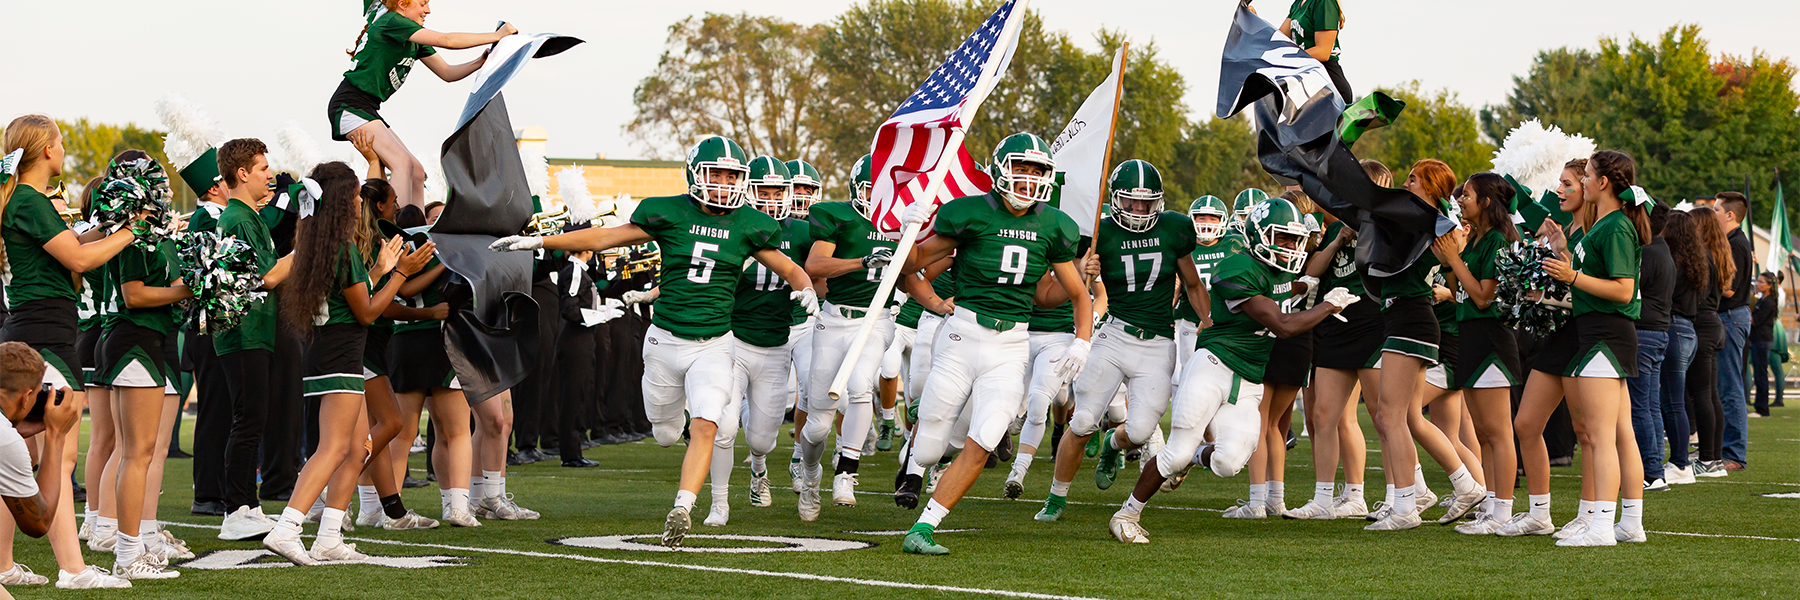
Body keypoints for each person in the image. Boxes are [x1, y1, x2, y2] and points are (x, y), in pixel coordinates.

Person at [490, 135, 817, 548]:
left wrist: (804, 286)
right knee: (665, 432)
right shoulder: (668, 211)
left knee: (708, 423)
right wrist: (540, 241)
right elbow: (603, 238)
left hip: (716, 343)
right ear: (695, 173)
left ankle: (683, 506)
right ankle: (674, 436)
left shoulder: (749, 223)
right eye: (716, 173)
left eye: (732, 175)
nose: (724, 183)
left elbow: (789, 267)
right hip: (664, 340)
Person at [1106, 197, 1354, 544]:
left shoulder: (1278, 270)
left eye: (1294, 240)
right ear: (1258, 236)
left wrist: (1305, 286)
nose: (1289, 248)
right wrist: (1329, 305)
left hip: (1250, 380)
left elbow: (1284, 290)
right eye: (1281, 238)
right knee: (1174, 453)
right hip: (1214, 366)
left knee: (1228, 463)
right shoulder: (1234, 267)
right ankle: (1127, 514)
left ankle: (1195, 454)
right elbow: (1281, 324)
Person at [891, 133, 1090, 556]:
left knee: (985, 437)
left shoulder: (1053, 225)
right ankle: (918, 453)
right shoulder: (969, 213)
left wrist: (1082, 340)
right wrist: (910, 230)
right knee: (928, 448)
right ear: (1001, 168)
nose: (1029, 178)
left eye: (1037, 170)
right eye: (1022, 167)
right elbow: (912, 267)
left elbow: (1063, 294)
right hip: (962, 334)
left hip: (1012, 344)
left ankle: (924, 529)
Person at [260, 161, 435, 565]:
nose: (361, 202)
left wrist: (381, 268)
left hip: (329, 349)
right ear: (341, 201)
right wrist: (400, 274)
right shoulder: (342, 248)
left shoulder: (319, 244)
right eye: (356, 195)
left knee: (356, 450)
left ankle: (329, 538)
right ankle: (287, 528)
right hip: (340, 353)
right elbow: (369, 312)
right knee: (335, 447)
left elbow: (355, 294)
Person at [0, 115, 139, 588]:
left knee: (18, 457)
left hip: (40, 327)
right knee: (59, 457)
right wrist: (133, 232)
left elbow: (75, 244)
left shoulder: (27, 200)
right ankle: (73, 570)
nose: (63, 149)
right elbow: (78, 260)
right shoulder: (29, 200)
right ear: (45, 151)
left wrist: (114, 225)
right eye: (59, 142)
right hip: (44, 331)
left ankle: (3, 566)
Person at [1034, 160, 1207, 521]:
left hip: (1159, 341)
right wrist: (1085, 271)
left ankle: (1112, 444)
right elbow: (1074, 290)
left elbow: (1192, 283)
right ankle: (1056, 497)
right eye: (1131, 202)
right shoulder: (1101, 232)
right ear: (1116, 199)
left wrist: (1207, 320)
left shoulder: (1175, 227)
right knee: (1081, 422)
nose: (1139, 210)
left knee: (1142, 431)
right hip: (1114, 335)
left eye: (1147, 203)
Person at [1363, 159, 1483, 531]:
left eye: (1413, 178)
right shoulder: (1421, 219)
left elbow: (1456, 275)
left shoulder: (1432, 223)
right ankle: (1465, 486)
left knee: (1389, 415)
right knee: (1410, 417)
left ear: (1431, 187)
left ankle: (1405, 507)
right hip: (1409, 318)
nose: (1406, 182)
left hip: (1410, 317)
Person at [1541, 149, 1650, 546]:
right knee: (1620, 433)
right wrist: (1563, 254)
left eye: (1586, 175)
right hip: (1601, 331)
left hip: (1606, 332)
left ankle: (1602, 525)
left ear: (1603, 183)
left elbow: (1623, 291)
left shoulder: (1616, 226)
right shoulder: (1601, 225)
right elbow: (1591, 277)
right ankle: (1630, 522)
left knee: (1604, 436)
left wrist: (1571, 274)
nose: (1581, 181)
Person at [94, 154, 195, 579]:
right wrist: (188, 289)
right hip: (133, 338)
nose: (165, 186)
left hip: (142, 339)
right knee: (137, 453)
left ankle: (129, 546)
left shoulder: (146, 231)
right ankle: (128, 553)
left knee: (135, 452)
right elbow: (135, 294)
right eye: (154, 177)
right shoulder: (132, 233)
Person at [331, 0, 517, 209]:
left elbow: (447, 73)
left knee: (417, 172)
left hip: (367, 107)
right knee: (402, 163)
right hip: (349, 105)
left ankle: (415, 230)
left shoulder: (413, 37)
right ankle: (395, 232)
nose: (428, 10)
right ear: (402, 4)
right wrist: (496, 36)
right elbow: (446, 40)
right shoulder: (393, 21)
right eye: (422, 4)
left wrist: (479, 62)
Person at [708, 156, 809, 525]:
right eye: (761, 193)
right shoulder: (734, 227)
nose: (769, 200)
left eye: (776, 192)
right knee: (724, 425)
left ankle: (759, 469)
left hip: (776, 343)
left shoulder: (801, 232)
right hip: (732, 340)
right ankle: (719, 503)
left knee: (762, 440)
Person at [800, 153, 899, 514]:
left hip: (876, 320)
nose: (879, 198)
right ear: (858, 188)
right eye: (874, 189)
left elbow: (916, 268)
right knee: (818, 424)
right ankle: (811, 473)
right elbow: (815, 265)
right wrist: (862, 261)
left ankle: (846, 470)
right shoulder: (837, 216)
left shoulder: (902, 222)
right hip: (834, 320)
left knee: (860, 386)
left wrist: (936, 301)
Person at [210, 139, 297, 541]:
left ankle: (249, 505)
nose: (269, 174)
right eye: (262, 167)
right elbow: (265, 277)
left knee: (254, 419)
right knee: (248, 421)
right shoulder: (238, 218)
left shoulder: (249, 216)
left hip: (254, 331)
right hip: (242, 332)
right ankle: (235, 509)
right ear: (242, 174)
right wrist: (305, 247)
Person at [1293, 159, 1388, 520]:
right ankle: (1322, 498)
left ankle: (1396, 496)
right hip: (1337, 324)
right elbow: (1311, 273)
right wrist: (1337, 242)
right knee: (1322, 415)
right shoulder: (1336, 228)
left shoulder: (1384, 226)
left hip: (1372, 324)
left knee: (1384, 417)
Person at [1432, 173, 1525, 533]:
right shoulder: (1476, 240)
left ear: (1486, 202)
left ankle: (1503, 510)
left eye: (1467, 195)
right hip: (1469, 334)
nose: (1460, 200)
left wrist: (1454, 259)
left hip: (1491, 340)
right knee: (1483, 433)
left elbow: (1484, 296)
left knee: (1498, 431)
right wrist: (1449, 260)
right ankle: (1490, 503)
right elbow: (1460, 292)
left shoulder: (1498, 241)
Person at [1227, 190, 1322, 519]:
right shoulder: (1308, 248)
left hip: (1275, 338)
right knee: (1279, 426)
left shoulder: (1265, 259)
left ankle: (1256, 502)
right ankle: (1276, 498)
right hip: (1301, 339)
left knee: (1260, 422)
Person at [383, 203, 476, 526]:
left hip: (403, 343)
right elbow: (408, 286)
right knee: (457, 432)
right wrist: (447, 260)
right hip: (438, 340)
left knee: (403, 435)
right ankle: (458, 507)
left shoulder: (388, 244)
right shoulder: (433, 244)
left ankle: (390, 510)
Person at [0, 343, 87, 588]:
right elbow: (38, 523)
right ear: (27, 396)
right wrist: (56, 435)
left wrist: (14, 427)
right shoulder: (5, 441)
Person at [1624, 204, 1675, 491]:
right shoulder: (1662, 249)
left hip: (1644, 333)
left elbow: (1628, 289)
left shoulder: (1648, 252)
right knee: (1651, 406)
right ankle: (1654, 469)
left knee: (1640, 407)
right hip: (1656, 333)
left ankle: (1652, 472)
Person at [1657, 210, 1704, 485]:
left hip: (1674, 328)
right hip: (1688, 329)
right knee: (1675, 400)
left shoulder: (1673, 262)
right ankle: (1679, 460)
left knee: (1673, 401)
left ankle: (1680, 463)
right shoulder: (1696, 261)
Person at [1686, 206, 1732, 479]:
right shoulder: (1719, 254)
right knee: (1710, 394)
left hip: (1702, 325)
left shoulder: (1702, 256)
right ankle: (1713, 458)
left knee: (1701, 395)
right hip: (1713, 324)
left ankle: (1706, 459)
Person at [1712, 191, 1754, 471]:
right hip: (1729, 317)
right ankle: (1722, 448)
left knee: (1730, 387)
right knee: (1721, 386)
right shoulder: (1730, 242)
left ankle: (1735, 454)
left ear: (1730, 215)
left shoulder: (1736, 244)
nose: (1711, 214)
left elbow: (1729, 288)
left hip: (1731, 317)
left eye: (1715, 210)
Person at [1278, 0, 1352, 101]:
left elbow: (1322, 52)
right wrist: (1253, 19)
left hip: (1329, 84)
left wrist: (1288, 60)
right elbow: (1278, 40)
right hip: (1307, 81)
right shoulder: (1298, 3)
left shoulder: (1325, 2)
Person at [1750, 272, 1777, 418]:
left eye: (1761, 282)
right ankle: (1760, 406)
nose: (1758, 284)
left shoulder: (1768, 302)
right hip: (1758, 340)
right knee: (1759, 373)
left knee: (1761, 374)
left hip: (1762, 340)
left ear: (1769, 285)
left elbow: (1755, 321)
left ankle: (1762, 408)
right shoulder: (1763, 300)